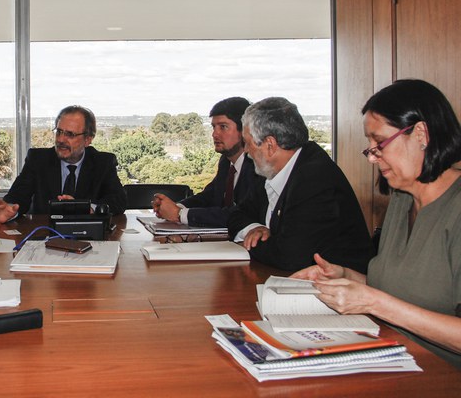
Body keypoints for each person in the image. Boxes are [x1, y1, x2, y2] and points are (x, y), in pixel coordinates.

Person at [292, 79, 461, 368]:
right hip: (393, 356)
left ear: (420, 133)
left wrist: (373, 303)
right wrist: (345, 276)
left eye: (379, 142)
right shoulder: (402, 199)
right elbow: (410, 290)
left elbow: (390, 302)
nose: (372, 157)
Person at [227, 97, 373, 272]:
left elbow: (290, 256)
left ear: (270, 145)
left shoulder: (315, 179)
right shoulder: (270, 170)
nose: (246, 151)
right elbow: (236, 214)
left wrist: (250, 244)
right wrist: (254, 228)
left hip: (338, 289)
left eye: (248, 143)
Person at [0, 105, 126, 220]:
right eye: (59, 132)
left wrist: (87, 208)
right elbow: (17, 197)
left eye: (70, 134)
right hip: (45, 237)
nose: (61, 139)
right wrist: (10, 211)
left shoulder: (102, 163)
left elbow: (119, 200)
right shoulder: (38, 159)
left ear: (88, 139)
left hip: (89, 238)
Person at [152, 97, 257, 227]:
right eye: (214, 127)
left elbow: (241, 213)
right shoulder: (226, 161)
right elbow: (208, 196)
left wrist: (180, 214)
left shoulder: (256, 165)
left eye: (223, 127)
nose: (215, 134)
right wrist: (176, 207)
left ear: (244, 130)